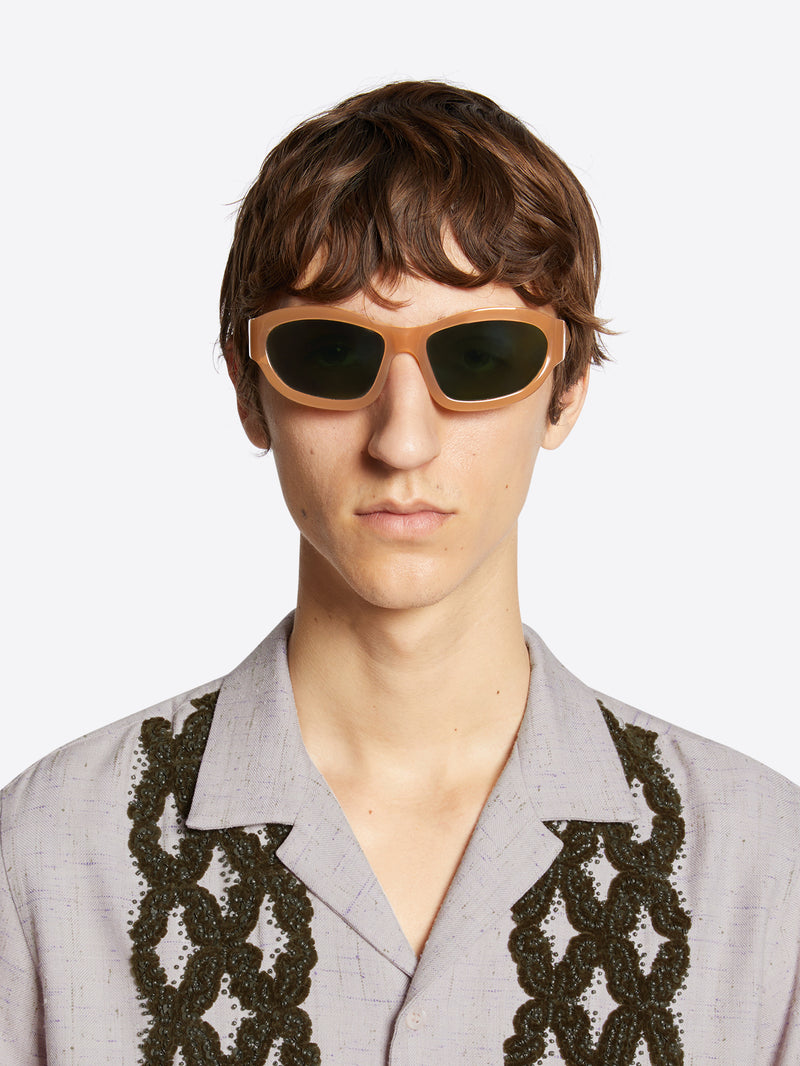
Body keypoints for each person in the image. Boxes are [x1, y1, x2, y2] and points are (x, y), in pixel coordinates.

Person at [1, 80, 797, 1066]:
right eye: (331, 356)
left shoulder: (763, 873)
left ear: (565, 389)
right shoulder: (47, 861)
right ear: (249, 389)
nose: (402, 439)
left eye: (481, 356)